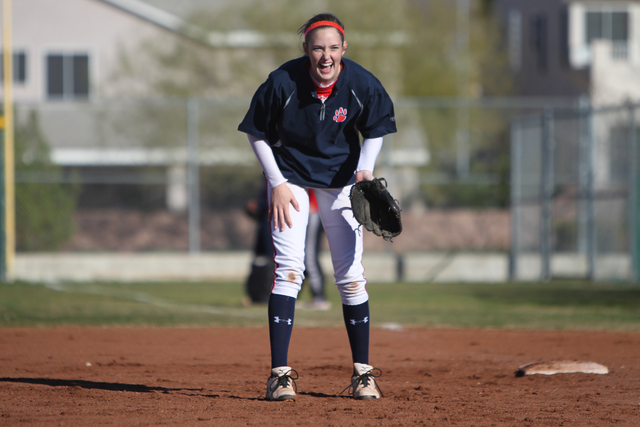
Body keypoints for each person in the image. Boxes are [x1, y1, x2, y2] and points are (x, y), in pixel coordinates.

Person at [238, 13, 396, 401]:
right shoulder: (282, 82)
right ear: (306, 50)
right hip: (289, 176)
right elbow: (256, 133)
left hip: (342, 179)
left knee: (350, 276)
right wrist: (275, 183)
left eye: (333, 47)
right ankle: (280, 376)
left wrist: (364, 171)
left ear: (344, 49)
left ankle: (363, 374)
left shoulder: (360, 82)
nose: (325, 56)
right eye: (317, 48)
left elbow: (375, 128)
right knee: (289, 271)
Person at [299, 189, 331, 311]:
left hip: (314, 211)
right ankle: (314, 296)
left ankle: (319, 297)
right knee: (306, 256)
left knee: (310, 256)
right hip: (311, 210)